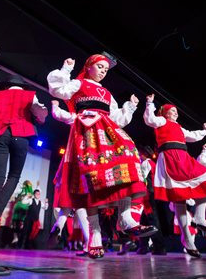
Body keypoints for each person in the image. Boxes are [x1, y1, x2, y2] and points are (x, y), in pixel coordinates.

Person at [47, 53, 157, 259]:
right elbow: (57, 90)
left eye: (106, 70)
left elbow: (117, 118)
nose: (103, 72)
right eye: (100, 67)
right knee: (90, 178)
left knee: (128, 160)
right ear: (88, 66)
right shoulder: (78, 83)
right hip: (87, 131)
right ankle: (94, 236)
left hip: (108, 131)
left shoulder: (106, 93)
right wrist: (65, 70)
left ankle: (125, 218)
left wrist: (130, 106)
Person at [0, 74, 48, 251]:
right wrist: (40, 115)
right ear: (22, 86)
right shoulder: (30, 95)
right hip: (20, 136)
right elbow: (41, 113)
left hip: (0, 134)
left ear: (7, 86)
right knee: (14, 176)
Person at [143, 94, 206, 258]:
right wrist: (149, 103)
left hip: (184, 158)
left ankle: (199, 218)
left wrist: (204, 132)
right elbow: (149, 119)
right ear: (164, 113)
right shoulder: (161, 121)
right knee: (179, 199)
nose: (175, 113)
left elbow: (192, 135)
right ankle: (188, 240)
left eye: (176, 111)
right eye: (172, 110)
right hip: (171, 159)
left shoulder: (179, 127)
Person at [47, 100, 90, 256]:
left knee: (69, 203)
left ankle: (58, 225)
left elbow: (60, 115)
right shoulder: (94, 119)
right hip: (85, 162)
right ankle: (89, 243)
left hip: (70, 161)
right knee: (80, 206)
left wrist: (55, 106)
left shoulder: (76, 117)